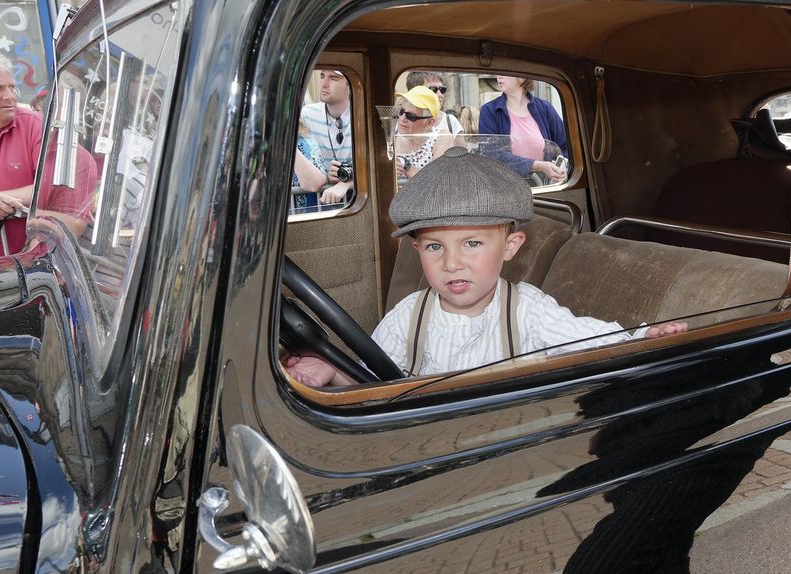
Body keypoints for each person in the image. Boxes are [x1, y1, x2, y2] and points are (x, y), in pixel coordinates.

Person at [284, 147, 687, 387]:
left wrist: (643, 337)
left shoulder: (528, 309)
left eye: (473, 244)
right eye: (434, 246)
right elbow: (374, 379)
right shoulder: (409, 315)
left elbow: (589, 339)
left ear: (511, 246)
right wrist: (331, 371)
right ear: (415, 249)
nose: (452, 262)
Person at [478, 75, 568, 182]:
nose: (499, 76)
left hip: (545, 188)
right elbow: (491, 154)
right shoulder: (489, 111)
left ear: (522, 77)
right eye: (497, 72)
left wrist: (563, 167)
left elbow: (566, 147)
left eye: (504, 71)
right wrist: (538, 165)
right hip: (508, 189)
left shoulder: (545, 108)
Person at [0, 53, 39, 256]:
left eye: (12, 87)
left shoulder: (33, 125)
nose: (10, 96)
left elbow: (52, 187)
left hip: (25, 272)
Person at [299, 69, 353, 186]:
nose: (324, 84)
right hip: (322, 199)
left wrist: (349, 182)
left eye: (333, 78)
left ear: (350, 86)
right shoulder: (307, 114)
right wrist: (327, 176)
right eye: (322, 76)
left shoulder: (363, 117)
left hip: (358, 196)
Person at [394, 86, 454, 179]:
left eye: (410, 116)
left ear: (430, 122)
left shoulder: (441, 137)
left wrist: (406, 166)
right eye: (401, 112)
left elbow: (436, 180)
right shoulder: (392, 135)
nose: (402, 118)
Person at [405, 70, 463, 135]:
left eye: (442, 89)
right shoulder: (401, 121)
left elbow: (460, 145)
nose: (440, 95)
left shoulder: (451, 121)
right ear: (414, 92)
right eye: (432, 90)